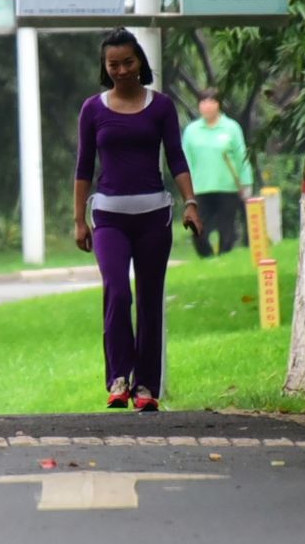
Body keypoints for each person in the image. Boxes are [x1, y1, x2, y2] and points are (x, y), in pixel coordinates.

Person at [71, 29, 199, 410]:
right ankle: (118, 378)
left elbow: (176, 157)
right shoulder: (93, 109)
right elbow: (82, 167)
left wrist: (190, 201)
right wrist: (79, 220)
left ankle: (145, 387)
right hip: (109, 215)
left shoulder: (160, 107)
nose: (122, 70)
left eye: (128, 62)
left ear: (140, 61)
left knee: (149, 299)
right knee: (117, 290)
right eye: (114, 64)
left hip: (153, 217)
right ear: (104, 67)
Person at [181, 89, 256, 258]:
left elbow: (241, 156)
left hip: (227, 187)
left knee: (226, 228)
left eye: (212, 102)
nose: (207, 106)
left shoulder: (231, 128)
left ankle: (224, 258)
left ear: (219, 105)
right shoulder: (192, 131)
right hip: (199, 188)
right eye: (203, 102)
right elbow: (185, 161)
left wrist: (246, 183)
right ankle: (206, 257)